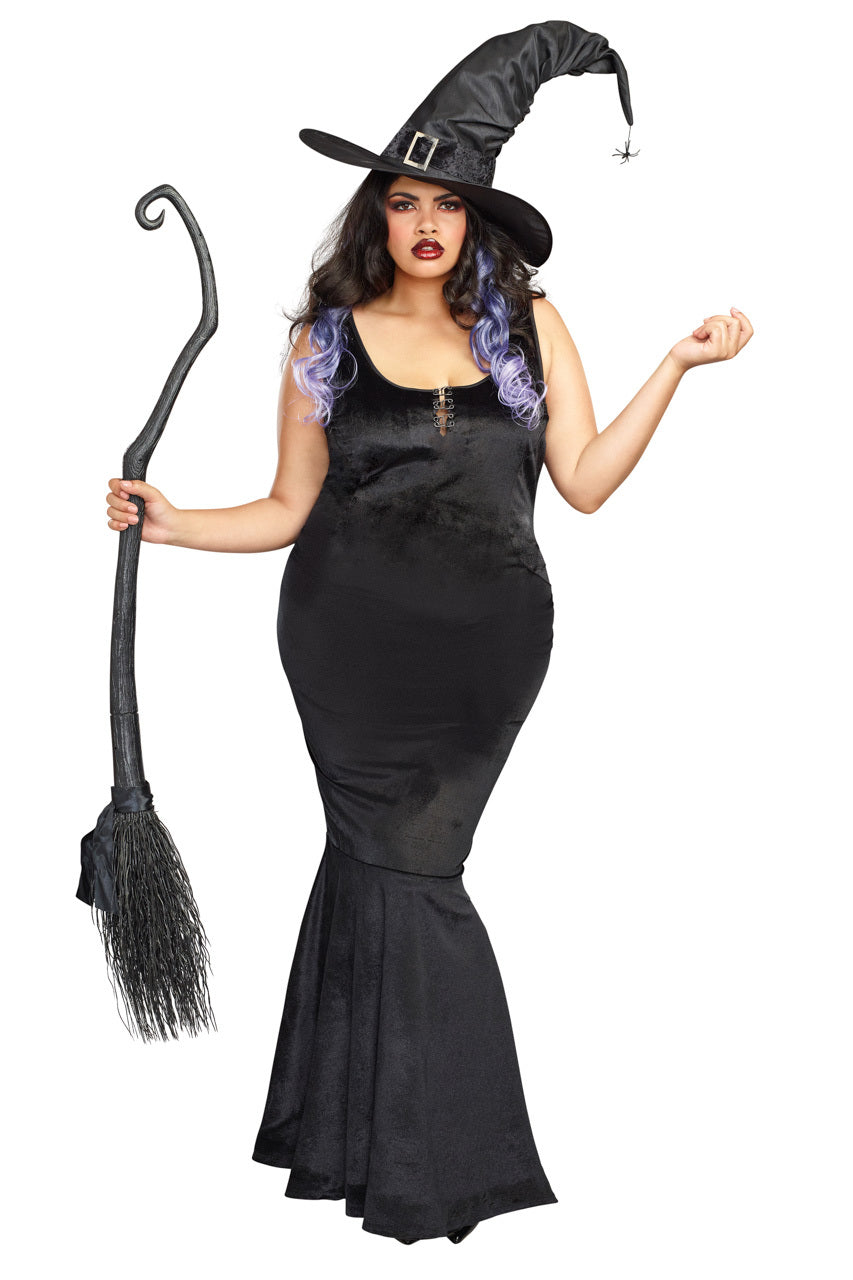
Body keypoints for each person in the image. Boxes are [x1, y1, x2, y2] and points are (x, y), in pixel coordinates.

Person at [104, 166, 753, 1243]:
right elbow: (287, 507)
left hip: (485, 651)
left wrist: (676, 365)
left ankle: (364, 1145)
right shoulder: (325, 340)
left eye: (447, 205)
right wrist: (172, 524)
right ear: (377, 217)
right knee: (388, 870)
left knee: (408, 871)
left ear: (475, 220)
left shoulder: (532, 325)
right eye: (404, 203)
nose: (425, 224)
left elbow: (585, 481)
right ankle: (410, 1167)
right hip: (346, 643)